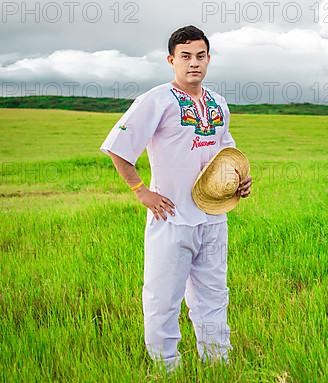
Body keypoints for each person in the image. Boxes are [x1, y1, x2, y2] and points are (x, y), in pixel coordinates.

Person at [99, 25, 252, 371]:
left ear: (209, 59)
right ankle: (166, 368)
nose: (193, 63)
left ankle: (218, 365)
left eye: (200, 56)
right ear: (171, 60)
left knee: (214, 297)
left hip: (213, 218)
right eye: (185, 56)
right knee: (162, 299)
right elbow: (119, 149)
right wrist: (142, 191)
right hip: (171, 219)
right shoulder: (156, 100)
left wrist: (241, 179)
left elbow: (226, 151)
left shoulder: (219, 104)